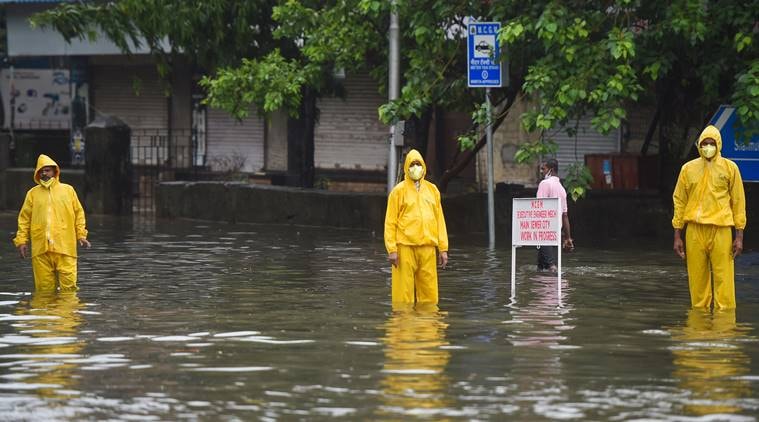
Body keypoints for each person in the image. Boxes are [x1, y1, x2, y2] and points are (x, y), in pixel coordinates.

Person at [672, 125, 746, 310]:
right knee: (697, 284)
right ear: (699, 145)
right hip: (694, 231)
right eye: (704, 143)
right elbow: (679, 201)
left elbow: (738, 202)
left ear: (718, 144)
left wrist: (739, 236)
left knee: (725, 284)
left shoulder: (730, 168)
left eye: (711, 143)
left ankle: (724, 329)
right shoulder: (688, 169)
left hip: (721, 230)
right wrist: (677, 235)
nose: (708, 147)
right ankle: (699, 327)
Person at [13, 154, 91, 292]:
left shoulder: (68, 190)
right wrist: (22, 241)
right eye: (41, 171)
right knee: (44, 290)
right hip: (41, 249)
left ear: (55, 171)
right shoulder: (32, 194)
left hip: (65, 248)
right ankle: (45, 313)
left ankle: (66, 313)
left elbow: (79, 214)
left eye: (47, 170)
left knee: (69, 289)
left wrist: (81, 235)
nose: (44, 173)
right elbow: (24, 219)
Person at [384, 149, 449, 305]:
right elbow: (390, 222)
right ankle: (403, 326)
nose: (415, 167)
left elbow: (439, 220)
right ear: (406, 166)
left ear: (424, 166)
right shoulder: (398, 191)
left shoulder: (432, 190)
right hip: (404, 248)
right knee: (403, 294)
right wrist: (392, 250)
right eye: (412, 164)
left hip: (428, 247)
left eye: (418, 164)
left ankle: (427, 326)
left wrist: (443, 248)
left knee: (429, 294)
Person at [536, 158, 573, 272]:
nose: (541, 171)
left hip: (543, 231)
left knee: (551, 267)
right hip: (555, 233)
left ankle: (554, 282)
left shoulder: (545, 184)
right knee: (541, 268)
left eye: (543, 168)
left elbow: (538, 207)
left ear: (550, 170)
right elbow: (565, 216)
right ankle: (552, 286)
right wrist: (567, 238)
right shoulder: (562, 189)